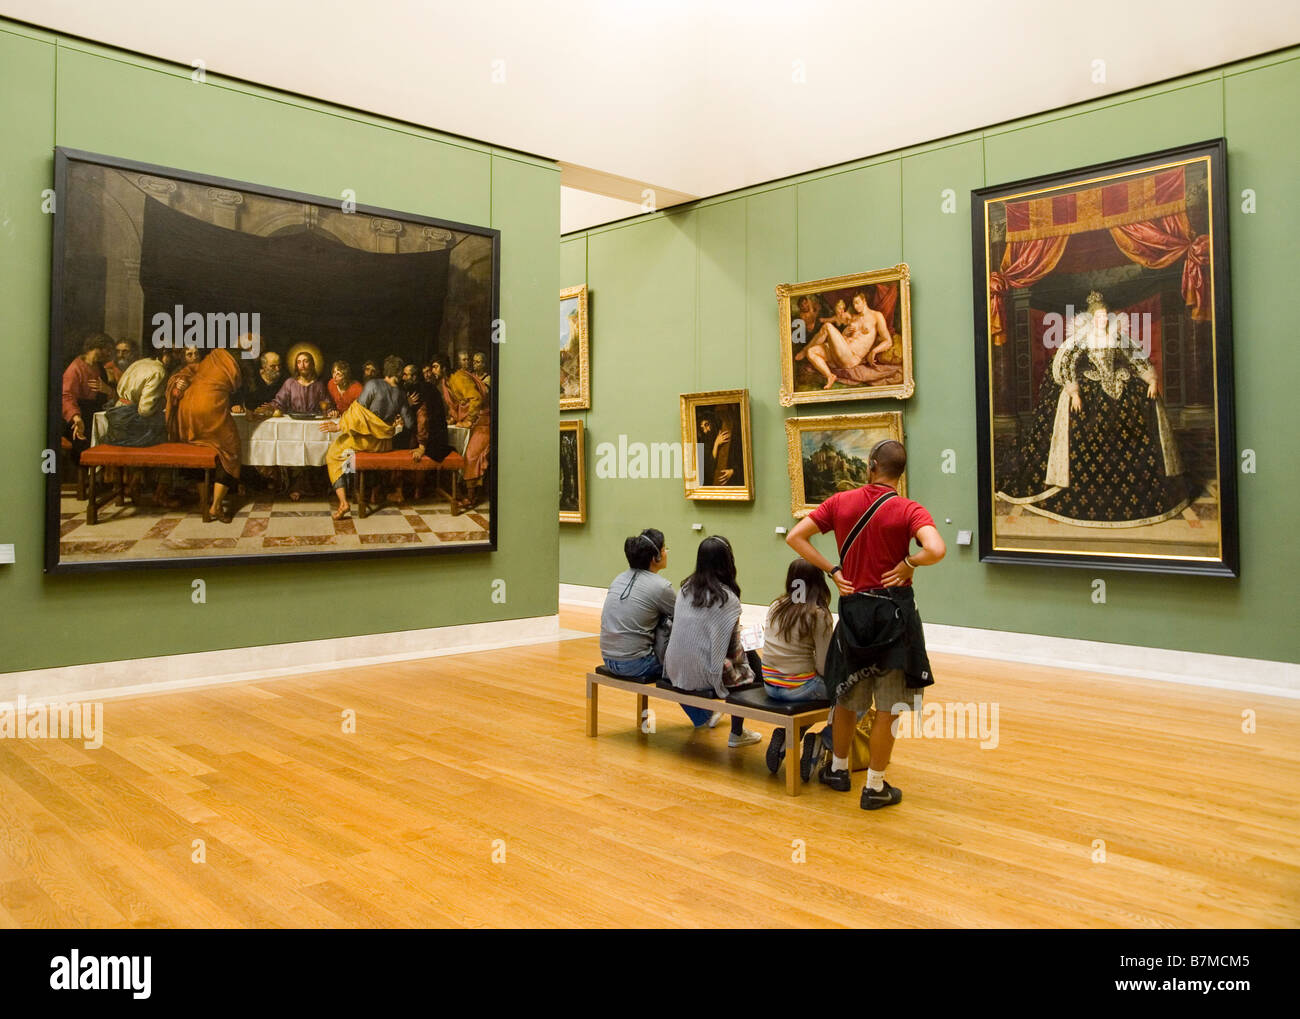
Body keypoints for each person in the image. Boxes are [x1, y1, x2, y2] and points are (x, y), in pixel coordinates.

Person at [784, 439, 945, 810]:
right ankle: (875, 787)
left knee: (846, 696)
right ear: (900, 474)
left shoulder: (840, 503)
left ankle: (838, 769)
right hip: (894, 617)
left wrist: (832, 570)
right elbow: (935, 549)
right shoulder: (908, 509)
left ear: (871, 465)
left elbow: (796, 537)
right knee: (889, 706)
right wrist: (911, 563)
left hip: (855, 611)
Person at [996, 290, 1191, 525]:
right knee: (1084, 425)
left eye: (1105, 317)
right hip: (1091, 388)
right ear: (1091, 319)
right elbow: (1066, 365)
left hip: (1120, 385)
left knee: (1142, 410)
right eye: (1098, 317)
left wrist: (1151, 380)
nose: (1102, 321)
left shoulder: (1118, 338)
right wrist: (1075, 393)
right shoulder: (1081, 340)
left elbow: (1136, 359)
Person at [600, 530, 722, 729]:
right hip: (635, 663)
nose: (666, 552)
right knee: (679, 664)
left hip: (609, 657)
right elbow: (686, 620)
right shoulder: (660, 587)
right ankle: (704, 714)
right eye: (664, 548)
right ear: (654, 557)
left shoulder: (618, 578)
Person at [662, 536, 762, 748]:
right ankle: (737, 732)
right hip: (705, 674)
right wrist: (752, 672)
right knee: (749, 657)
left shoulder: (684, 589)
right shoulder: (728, 600)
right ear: (728, 561)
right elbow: (735, 651)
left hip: (673, 668)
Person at [760, 559, 837, 779]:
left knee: (811, 698)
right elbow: (824, 666)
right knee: (854, 700)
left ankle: (787, 737)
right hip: (798, 688)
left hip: (770, 685)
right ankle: (823, 740)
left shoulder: (776, 606)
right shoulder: (818, 614)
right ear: (818, 582)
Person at [320, 355, 407, 520]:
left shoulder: (373, 385)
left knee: (333, 455)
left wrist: (339, 426)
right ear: (399, 373)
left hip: (368, 442)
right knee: (349, 456)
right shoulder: (401, 393)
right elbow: (408, 421)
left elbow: (357, 412)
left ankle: (344, 503)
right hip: (385, 444)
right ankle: (357, 491)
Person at [174, 347, 243, 524]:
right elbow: (235, 384)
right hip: (209, 410)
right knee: (230, 452)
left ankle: (204, 502)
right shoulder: (232, 365)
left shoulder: (207, 362)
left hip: (188, 413)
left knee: (199, 450)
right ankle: (216, 506)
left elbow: (186, 373)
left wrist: (179, 385)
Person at [796, 292, 901, 390]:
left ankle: (804, 350)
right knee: (812, 352)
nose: (855, 306)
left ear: (864, 301)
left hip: (852, 358)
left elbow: (888, 341)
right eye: (853, 303)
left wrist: (874, 351)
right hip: (841, 353)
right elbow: (842, 338)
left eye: (857, 303)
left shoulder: (876, 316)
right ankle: (830, 376)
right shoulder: (854, 317)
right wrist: (846, 332)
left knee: (827, 326)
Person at [444, 351, 490, 512]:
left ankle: (471, 497)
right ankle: (459, 491)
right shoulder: (449, 381)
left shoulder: (459, 378)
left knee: (471, 456)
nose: (468, 362)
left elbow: (476, 398)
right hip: (471, 423)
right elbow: (456, 405)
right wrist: (453, 418)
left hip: (483, 422)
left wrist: (470, 419)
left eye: (435, 368)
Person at [61, 333, 116, 463]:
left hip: (96, 413)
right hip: (80, 416)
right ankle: (89, 479)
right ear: (96, 347)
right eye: (107, 349)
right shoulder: (75, 368)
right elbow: (66, 396)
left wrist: (107, 390)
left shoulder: (100, 367)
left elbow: (112, 393)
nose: (108, 354)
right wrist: (76, 417)